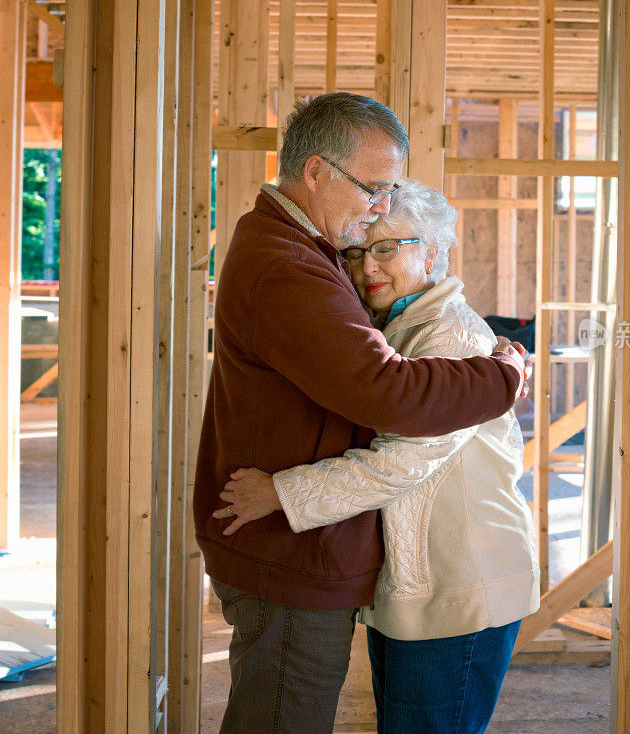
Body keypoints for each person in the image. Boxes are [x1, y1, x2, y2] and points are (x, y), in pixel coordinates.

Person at [193, 93, 531, 734]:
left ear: (432, 254)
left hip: (455, 586)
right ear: (316, 173)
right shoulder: (295, 266)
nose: (367, 261)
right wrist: (506, 375)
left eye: (390, 243)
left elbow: (399, 453)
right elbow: (388, 393)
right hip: (364, 575)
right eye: (372, 190)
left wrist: (286, 493)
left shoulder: (446, 333)